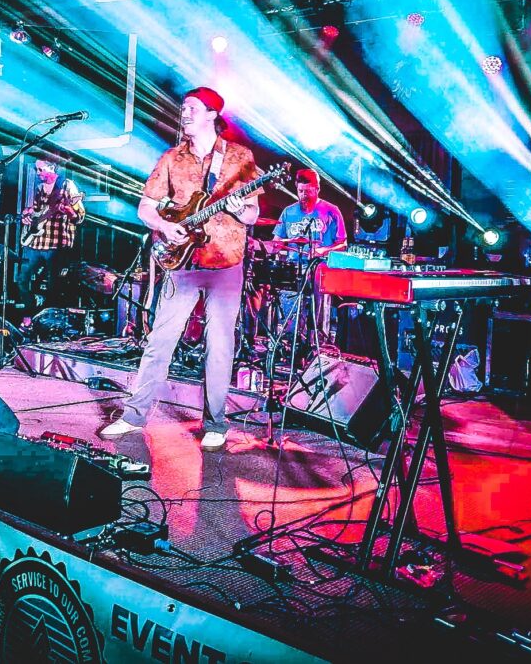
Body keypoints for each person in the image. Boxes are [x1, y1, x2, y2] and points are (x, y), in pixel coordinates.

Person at [101, 86, 261, 451]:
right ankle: (134, 415)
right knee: (160, 340)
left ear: (211, 114)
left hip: (225, 263)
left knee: (219, 345)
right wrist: (164, 226)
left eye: (191, 108)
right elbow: (145, 208)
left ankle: (216, 423)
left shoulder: (239, 157)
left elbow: (253, 214)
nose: (184, 113)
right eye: (183, 108)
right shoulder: (173, 157)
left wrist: (239, 210)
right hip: (182, 261)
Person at [271, 168, 347, 339]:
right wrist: (266, 247)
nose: (303, 196)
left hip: (319, 268)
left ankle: (314, 338)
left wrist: (323, 250)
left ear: (317, 189)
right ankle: (287, 338)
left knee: (316, 288)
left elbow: (343, 244)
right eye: (300, 191)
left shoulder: (331, 211)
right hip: (293, 268)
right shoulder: (288, 212)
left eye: (308, 192)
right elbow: (276, 243)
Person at [16, 157, 85, 316]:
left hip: (56, 245)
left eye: (40, 169)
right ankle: (30, 313)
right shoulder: (40, 187)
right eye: (36, 169)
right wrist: (27, 216)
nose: (37, 172)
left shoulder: (67, 185)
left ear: (52, 168)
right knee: (22, 280)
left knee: (54, 286)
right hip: (35, 243)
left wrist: (69, 210)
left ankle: (48, 319)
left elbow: (80, 217)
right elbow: (35, 212)